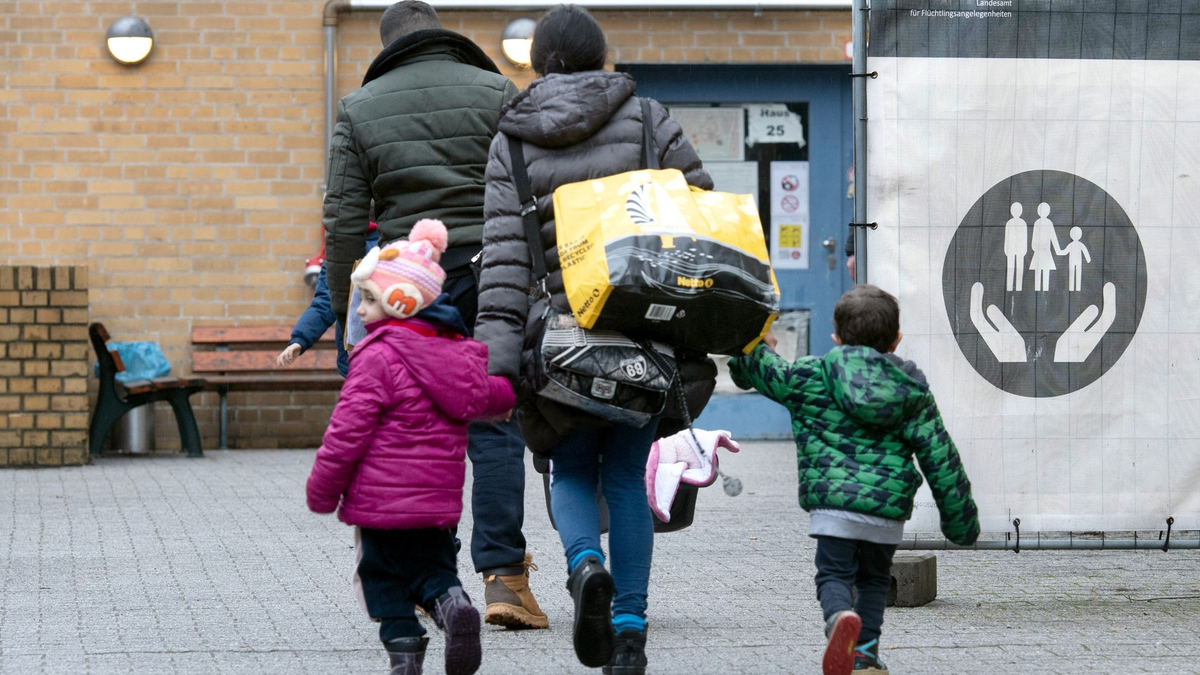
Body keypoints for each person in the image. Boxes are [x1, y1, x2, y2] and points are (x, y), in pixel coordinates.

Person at [474, 6, 712, 674]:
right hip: (642, 334)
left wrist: (496, 363)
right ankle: (630, 631)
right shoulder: (649, 118)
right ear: (603, 56)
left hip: (555, 343)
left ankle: (585, 571)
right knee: (630, 480)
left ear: (535, 62)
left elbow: (502, 262)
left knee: (570, 466)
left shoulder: (511, 142)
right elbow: (700, 210)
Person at [320, 0, 548, 628]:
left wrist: (349, 309)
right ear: (444, 37)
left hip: (408, 285)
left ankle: (432, 579)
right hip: (495, 273)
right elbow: (533, 189)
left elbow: (341, 220)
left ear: (387, 45)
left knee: (415, 427)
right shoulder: (496, 89)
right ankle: (504, 578)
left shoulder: (358, 108)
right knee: (496, 420)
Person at [729, 285, 980, 675]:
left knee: (833, 575)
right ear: (896, 340)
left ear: (836, 337)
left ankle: (837, 620)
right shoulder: (910, 390)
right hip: (885, 513)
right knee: (875, 580)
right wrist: (961, 524)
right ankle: (863, 654)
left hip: (832, 508)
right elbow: (940, 457)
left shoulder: (811, 375)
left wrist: (757, 344)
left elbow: (764, 372)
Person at [306, 220, 516, 675]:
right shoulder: (457, 355)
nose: (358, 311)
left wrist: (322, 490)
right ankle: (452, 603)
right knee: (434, 570)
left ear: (399, 302)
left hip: (378, 505)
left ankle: (404, 657)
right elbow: (487, 394)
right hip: (437, 507)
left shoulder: (375, 359)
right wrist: (511, 396)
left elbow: (346, 432)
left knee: (382, 579)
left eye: (368, 299)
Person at [279, 221, 379, 377]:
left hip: (357, 357)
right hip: (392, 356)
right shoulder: (402, 244)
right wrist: (300, 339)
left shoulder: (341, 249)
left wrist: (299, 339)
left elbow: (324, 302)